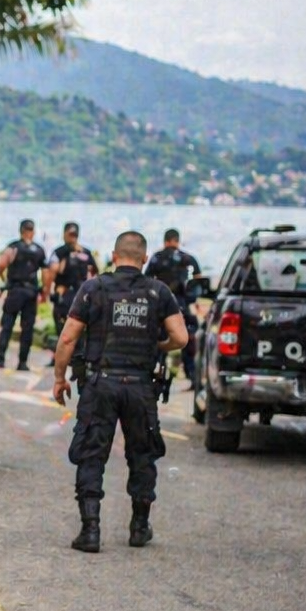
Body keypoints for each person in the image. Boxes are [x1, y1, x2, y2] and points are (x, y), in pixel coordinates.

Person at [53, 231, 187, 552]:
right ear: (144, 258)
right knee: (142, 455)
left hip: (101, 384)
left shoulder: (94, 288)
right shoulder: (158, 292)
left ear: (114, 257)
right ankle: (139, 527)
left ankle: (90, 530)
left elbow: (68, 338)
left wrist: (60, 378)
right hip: (140, 386)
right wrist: (157, 345)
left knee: (92, 454)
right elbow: (181, 338)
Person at [144, 229, 202, 385]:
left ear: (165, 241)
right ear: (177, 240)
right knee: (189, 341)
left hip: (161, 306)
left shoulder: (157, 258)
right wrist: (192, 300)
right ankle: (192, 376)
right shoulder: (188, 259)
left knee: (159, 341)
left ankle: (155, 373)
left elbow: (147, 282)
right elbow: (198, 283)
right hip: (183, 306)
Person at [0, 218, 49, 370]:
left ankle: (0, 358)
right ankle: (22, 362)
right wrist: (44, 292)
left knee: (7, 325)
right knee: (27, 328)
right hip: (31, 292)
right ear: (33, 231)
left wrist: (2, 278)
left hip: (15, 290)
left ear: (21, 230)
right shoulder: (39, 250)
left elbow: (1, 264)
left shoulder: (13, 247)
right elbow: (46, 273)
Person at [45, 222, 99, 367]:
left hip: (64, 294)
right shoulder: (86, 252)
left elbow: (52, 271)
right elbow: (95, 274)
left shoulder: (60, 252)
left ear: (64, 234)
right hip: (82, 295)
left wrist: (47, 291)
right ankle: (77, 359)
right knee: (79, 327)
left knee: (61, 327)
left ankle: (60, 358)